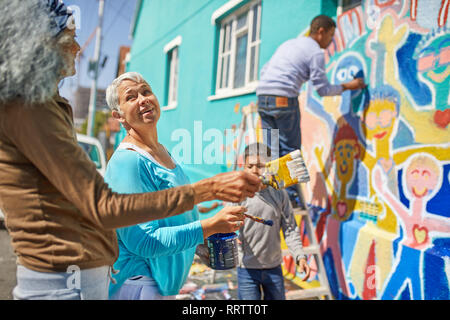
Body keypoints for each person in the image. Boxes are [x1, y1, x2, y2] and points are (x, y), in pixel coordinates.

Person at [0, 0, 260, 300]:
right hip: (69, 284)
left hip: (81, 281)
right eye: (69, 39)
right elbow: (109, 210)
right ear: (38, 44)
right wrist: (211, 191)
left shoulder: (47, 105)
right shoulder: (31, 109)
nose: (77, 49)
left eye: (146, 91)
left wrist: (197, 235)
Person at [103, 72, 249, 300]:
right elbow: (143, 241)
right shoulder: (127, 162)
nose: (143, 99)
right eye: (131, 97)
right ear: (119, 115)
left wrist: (199, 245)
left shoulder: (163, 152)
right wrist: (208, 226)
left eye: (146, 91)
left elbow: (173, 218)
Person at [256, 14, 367, 206]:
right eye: (331, 35)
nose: (331, 41)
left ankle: (270, 193)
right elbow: (322, 89)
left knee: (271, 148)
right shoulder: (315, 52)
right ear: (320, 31)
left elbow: (265, 70)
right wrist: (349, 86)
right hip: (283, 99)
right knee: (290, 149)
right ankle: (290, 197)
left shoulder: (290, 44)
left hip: (263, 97)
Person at [231, 143, 311, 300]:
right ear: (244, 168)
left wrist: (300, 256)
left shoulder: (279, 194)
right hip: (247, 269)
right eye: (250, 166)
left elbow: (290, 229)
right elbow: (228, 229)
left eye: (260, 166)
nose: (255, 170)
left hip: (274, 268)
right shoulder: (237, 195)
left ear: (269, 167)